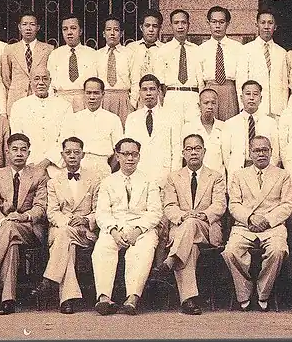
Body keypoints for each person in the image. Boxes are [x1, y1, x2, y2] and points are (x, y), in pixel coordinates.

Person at [0, 133, 48, 315]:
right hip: (5, 230)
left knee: (10, 229)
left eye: (23, 150)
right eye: (14, 149)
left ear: (29, 153)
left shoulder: (39, 175)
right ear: (7, 152)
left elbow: (41, 207)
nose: (19, 153)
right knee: (12, 245)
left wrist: (23, 217)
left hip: (29, 228)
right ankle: (8, 300)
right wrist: (3, 220)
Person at [92, 137, 163, 316]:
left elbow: (155, 212)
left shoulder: (149, 181)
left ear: (139, 156)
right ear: (117, 156)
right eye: (125, 154)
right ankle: (104, 298)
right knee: (102, 248)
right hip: (115, 228)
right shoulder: (108, 182)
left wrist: (137, 231)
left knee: (142, 250)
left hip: (142, 228)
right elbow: (102, 213)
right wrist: (114, 232)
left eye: (134, 154)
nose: (130, 158)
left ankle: (132, 298)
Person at [33, 136, 103, 314]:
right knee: (66, 242)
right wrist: (68, 222)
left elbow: (100, 210)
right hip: (62, 229)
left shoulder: (95, 179)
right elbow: (52, 212)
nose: (72, 156)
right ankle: (66, 299)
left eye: (76, 152)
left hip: (85, 232)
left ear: (83, 155)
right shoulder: (53, 182)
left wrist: (86, 219)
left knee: (64, 238)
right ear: (62, 155)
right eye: (68, 152)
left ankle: (50, 279)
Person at [224, 135, 292, 311]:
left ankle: (263, 292)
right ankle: (244, 291)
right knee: (230, 251)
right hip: (245, 226)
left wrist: (267, 220)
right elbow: (234, 204)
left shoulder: (283, 175)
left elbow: (287, 205)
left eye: (264, 150)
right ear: (250, 153)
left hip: (272, 227)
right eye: (256, 150)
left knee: (278, 250)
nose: (261, 154)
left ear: (271, 152)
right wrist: (250, 217)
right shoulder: (239, 175)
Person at [161, 133, 227, 315]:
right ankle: (188, 300)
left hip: (207, 227)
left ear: (204, 151)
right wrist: (184, 216)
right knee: (191, 247)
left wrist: (202, 215)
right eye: (189, 149)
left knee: (191, 224)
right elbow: (169, 206)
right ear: (183, 153)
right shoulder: (173, 178)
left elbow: (220, 205)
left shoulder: (216, 177)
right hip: (183, 229)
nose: (193, 152)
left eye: (197, 148)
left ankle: (171, 259)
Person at [55, 77, 123, 179]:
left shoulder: (113, 119)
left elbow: (118, 150)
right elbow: (65, 147)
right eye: (88, 93)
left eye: (96, 93)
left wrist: (109, 169)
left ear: (103, 94)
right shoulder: (73, 118)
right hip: (78, 166)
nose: (92, 97)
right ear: (84, 94)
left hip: (102, 167)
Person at [9, 65, 73, 174]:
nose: (41, 83)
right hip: (28, 165)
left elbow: (66, 138)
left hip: (56, 166)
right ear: (30, 82)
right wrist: (31, 164)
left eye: (45, 78)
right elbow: (17, 139)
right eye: (37, 79)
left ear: (50, 81)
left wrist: (47, 161)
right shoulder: (18, 106)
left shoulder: (64, 106)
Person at [123, 74, 178, 183]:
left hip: (164, 175)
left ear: (159, 91)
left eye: (152, 89)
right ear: (139, 92)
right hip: (138, 176)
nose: (148, 93)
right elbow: (128, 150)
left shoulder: (172, 116)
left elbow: (176, 150)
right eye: (144, 89)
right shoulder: (132, 118)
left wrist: (173, 179)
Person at [236, 8, 288, 118]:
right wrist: (243, 108)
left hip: (277, 109)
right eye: (263, 22)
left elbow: (284, 85)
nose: (266, 26)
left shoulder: (282, 52)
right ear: (257, 25)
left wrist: (284, 109)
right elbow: (241, 81)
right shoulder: (246, 50)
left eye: (270, 23)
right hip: (254, 108)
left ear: (275, 26)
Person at [195, 6, 244, 121]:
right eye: (214, 22)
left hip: (229, 91)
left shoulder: (238, 48)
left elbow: (241, 77)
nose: (217, 26)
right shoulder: (201, 49)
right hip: (209, 90)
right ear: (208, 23)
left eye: (221, 22)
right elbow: (199, 80)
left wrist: (241, 104)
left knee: (230, 125)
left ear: (228, 24)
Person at [222, 80, 281, 172]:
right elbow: (226, 155)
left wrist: (267, 171)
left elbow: (275, 153)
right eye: (248, 94)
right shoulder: (230, 124)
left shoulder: (270, 123)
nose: (251, 98)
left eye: (255, 94)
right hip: (239, 171)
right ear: (241, 98)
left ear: (261, 99)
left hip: (264, 170)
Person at [157, 9, 202, 128]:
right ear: (171, 25)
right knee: (173, 131)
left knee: (193, 130)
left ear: (188, 25)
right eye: (176, 23)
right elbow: (160, 82)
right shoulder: (163, 50)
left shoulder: (196, 50)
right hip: (172, 95)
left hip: (193, 96)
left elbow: (201, 81)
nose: (180, 26)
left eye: (183, 23)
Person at [1, 10, 52, 116]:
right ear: (19, 27)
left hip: (39, 99)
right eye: (24, 24)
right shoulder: (10, 49)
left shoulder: (48, 49)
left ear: (38, 27)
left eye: (32, 24)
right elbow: (6, 77)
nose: (28, 28)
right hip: (16, 99)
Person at [46, 14, 98, 112]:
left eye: (73, 28)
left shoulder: (92, 54)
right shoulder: (55, 54)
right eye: (65, 29)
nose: (69, 32)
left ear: (80, 31)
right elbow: (50, 83)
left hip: (84, 101)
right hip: (60, 100)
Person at [180, 88, 226, 177]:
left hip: (218, 179)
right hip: (195, 178)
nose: (210, 106)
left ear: (217, 105)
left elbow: (227, 158)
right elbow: (183, 157)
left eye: (213, 103)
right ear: (199, 105)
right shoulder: (188, 127)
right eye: (206, 103)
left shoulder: (224, 127)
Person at [95, 16, 133, 125]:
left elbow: (135, 80)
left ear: (121, 34)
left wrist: (132, 104)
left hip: (123, 99)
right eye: (108, 30)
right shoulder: (97, 55)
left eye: (116, 30)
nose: (112, 33)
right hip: (103, 99)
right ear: (103, 33)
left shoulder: (129, 54)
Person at [128, 8, 166, 110]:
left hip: (158, 99)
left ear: (160, 28)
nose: (151, 29)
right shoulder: (131, 48)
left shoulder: (165, 49)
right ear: (141, 27)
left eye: (155, 26)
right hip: (135, 98)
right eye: (147, 25)